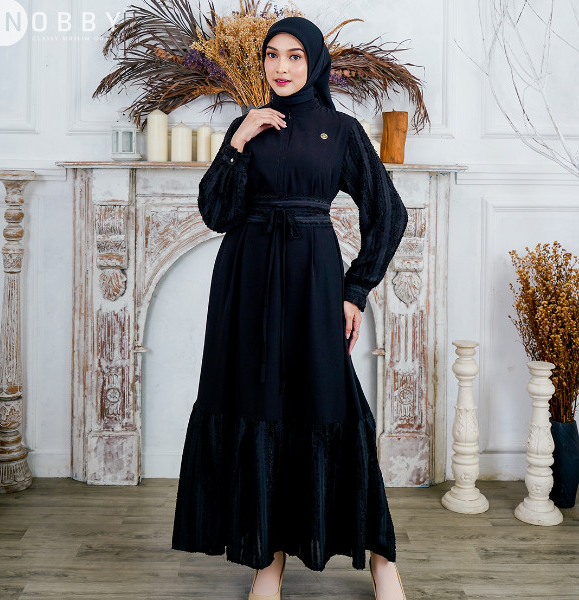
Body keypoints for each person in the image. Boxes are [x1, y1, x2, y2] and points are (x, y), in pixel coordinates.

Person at [172, 15, 408, 600]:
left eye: (295, 55)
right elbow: (216, 214)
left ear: (315, 62)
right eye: (272, 55)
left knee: (332, 405)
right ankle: (266, 564)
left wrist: (355, 290)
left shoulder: (341, 130)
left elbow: (388, 212)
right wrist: (238, 141)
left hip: (313, 281)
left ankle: (382, 560)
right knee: (257, 406)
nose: (281, 66)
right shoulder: (247, 126)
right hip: (246, 283)